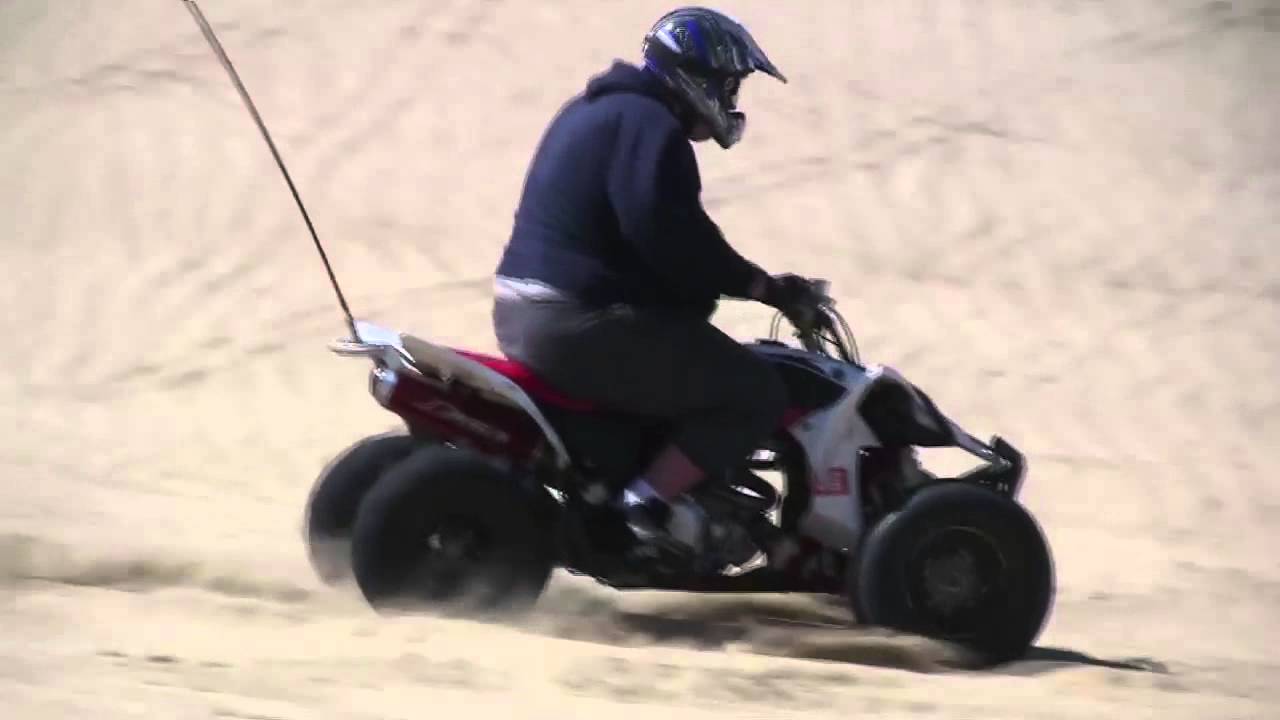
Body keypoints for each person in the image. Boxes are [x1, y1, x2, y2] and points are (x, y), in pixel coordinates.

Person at [491, 7, 819, 555]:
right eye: (729, 83)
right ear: (699, 75)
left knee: (683, 349)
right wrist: (762, 287)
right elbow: (669, 237)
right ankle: (648, 505)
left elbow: (644, 239)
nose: (732, 99)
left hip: (523, 312)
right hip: (575, 322)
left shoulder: (594, 110)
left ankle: (635, 479)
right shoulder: (651, 127)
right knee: (754, 390)